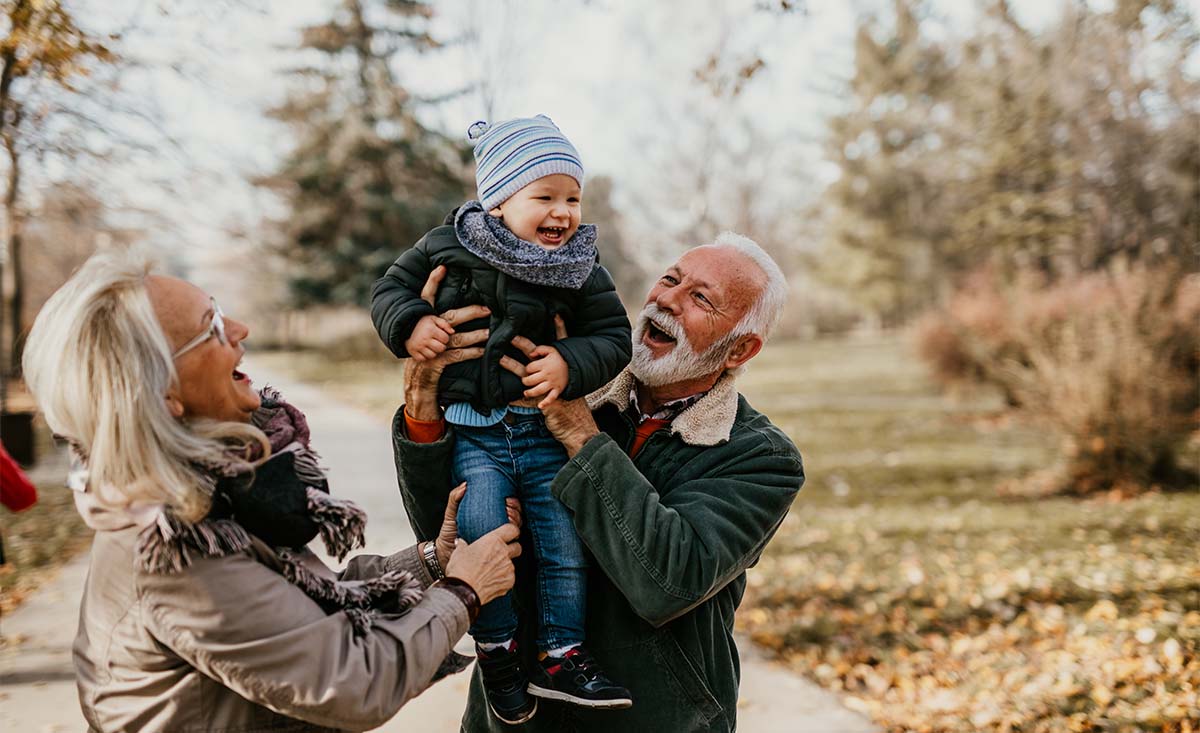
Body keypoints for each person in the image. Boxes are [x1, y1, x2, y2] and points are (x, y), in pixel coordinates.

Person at [21, 250, 523, 733]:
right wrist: (463, 591)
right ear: (162, 392)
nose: (241, 330)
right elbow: (349, 678)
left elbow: (301, 612)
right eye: (211, 328)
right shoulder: (177, 547)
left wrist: (432, 561)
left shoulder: (204, 494)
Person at [392, 231, 805, 732]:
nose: (666, 301)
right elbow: (450, 536)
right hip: (514, 718)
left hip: (655, 721)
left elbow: (668, 581)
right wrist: (423, 410)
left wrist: (579, 435)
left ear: (740, 348)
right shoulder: (556, 382)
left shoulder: (759, 456)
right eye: (669, 279)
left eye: (700, 298)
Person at [371, 115, 633, 723]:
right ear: (497, 199)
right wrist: (412, 323)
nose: (563, 213)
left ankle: (562, 652)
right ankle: (497, 649)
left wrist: (569, 362)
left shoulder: (580, 267)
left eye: (573, 198)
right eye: (544, 196)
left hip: (543, 433)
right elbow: (390, 290)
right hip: (475, 433)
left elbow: (612, 336)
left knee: (563, 542)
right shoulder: (446, 245)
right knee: (484, 538)